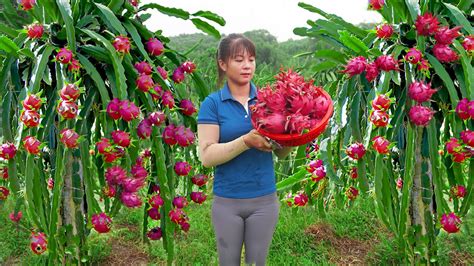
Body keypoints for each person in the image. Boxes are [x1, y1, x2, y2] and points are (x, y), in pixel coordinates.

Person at [197, 33, 293, 266]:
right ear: (223, 63)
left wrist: (296, 132)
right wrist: (245, 142)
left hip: (265, 199)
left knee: (257, 263)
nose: (247, 65)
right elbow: (207, 157)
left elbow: (281, 153)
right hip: (227, 201)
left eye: (251, 59)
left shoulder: (270, 100)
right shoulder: (213, 104)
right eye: (239, 59)